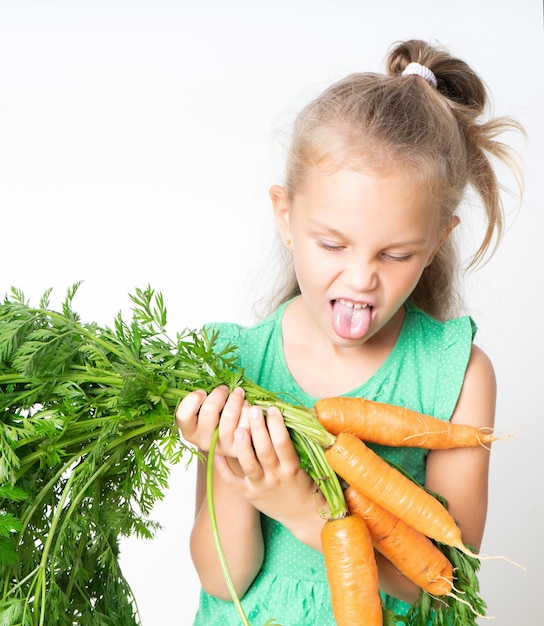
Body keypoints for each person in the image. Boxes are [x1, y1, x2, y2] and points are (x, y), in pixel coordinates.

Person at [176, 39, 523, 625]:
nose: (361, 279)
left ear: (436, 243)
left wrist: (306, 512)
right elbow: (221, 578)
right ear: (286, 217)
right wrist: (231, 462)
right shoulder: (232, 363)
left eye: (395, 254)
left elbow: (442, 584)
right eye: (332, 244)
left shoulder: (456, 374)